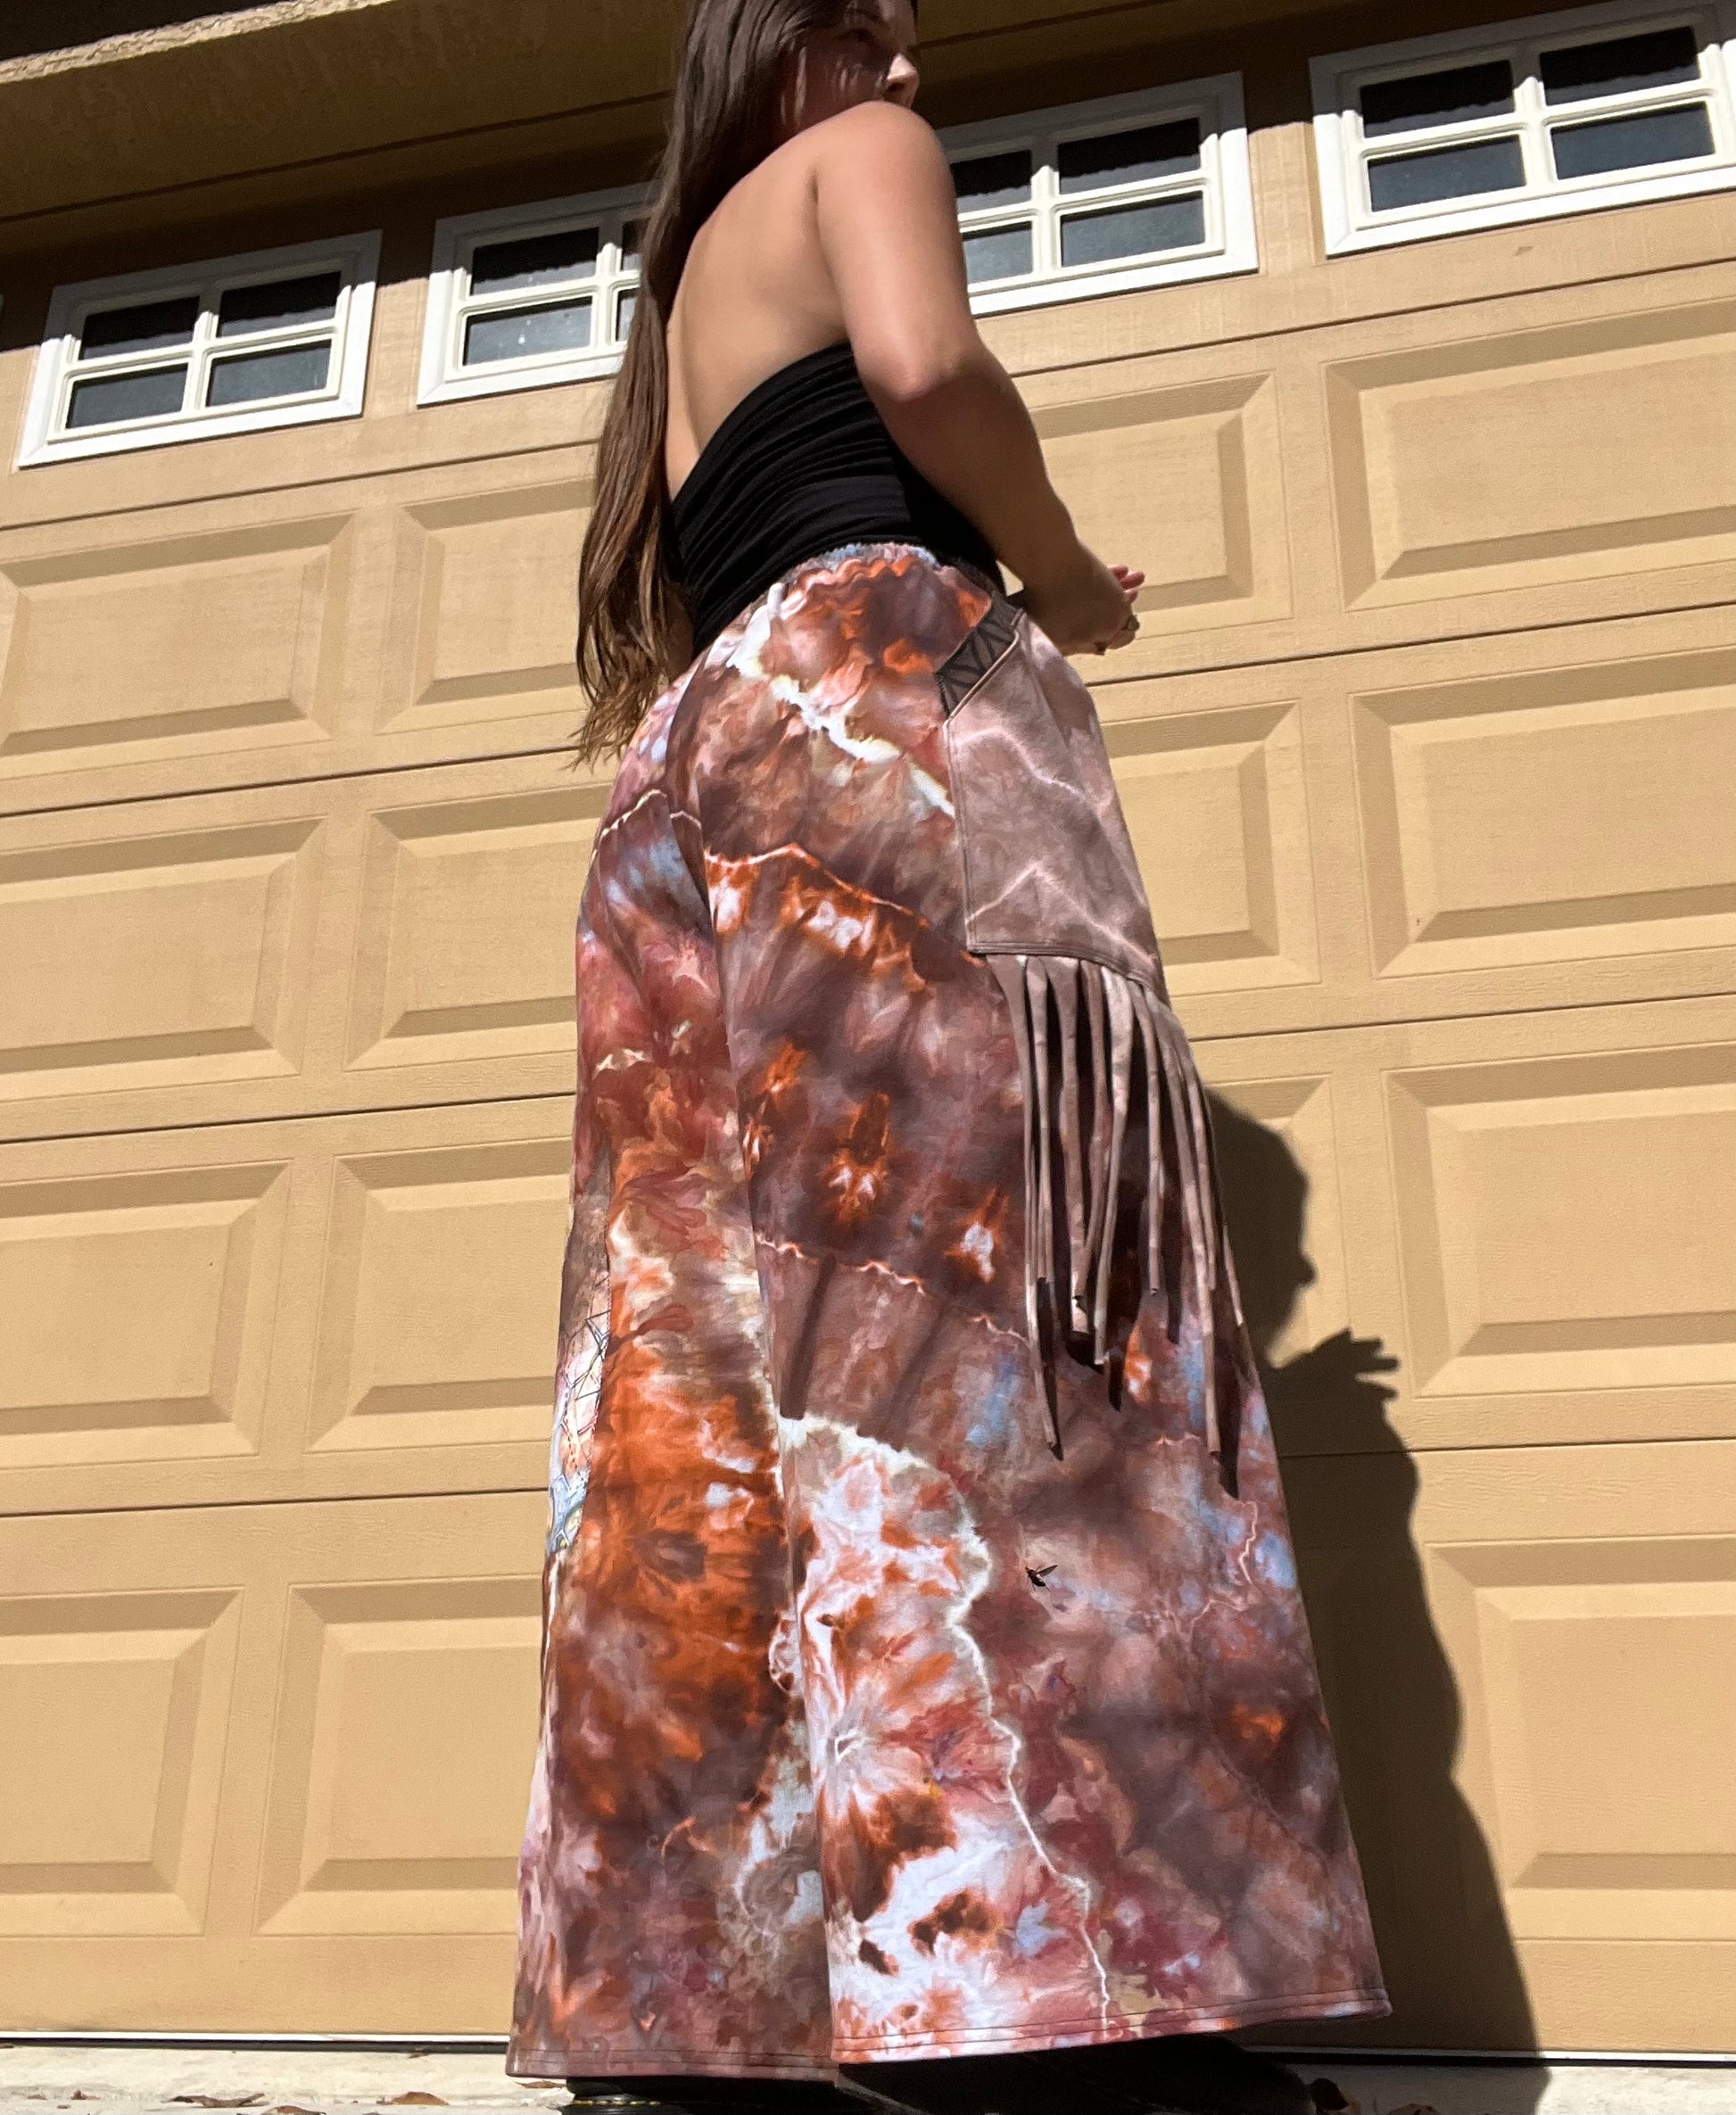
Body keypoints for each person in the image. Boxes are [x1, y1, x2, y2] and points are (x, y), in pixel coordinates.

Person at [507, 4, 1388, 2111]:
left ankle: (693, 2011)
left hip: (696, 763)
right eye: (867, 28)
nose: (907, 73)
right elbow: (926, 368)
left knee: (688, 1361)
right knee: (999, 1325)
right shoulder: (860, 165)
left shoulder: (680, 292)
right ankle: (1034, 2005)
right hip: (889, 699)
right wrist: (1058, 575)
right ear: (779, 38)